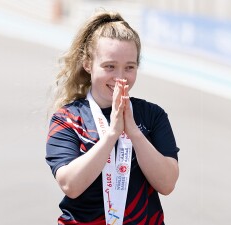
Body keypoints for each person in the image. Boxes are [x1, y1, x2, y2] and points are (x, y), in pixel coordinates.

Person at [45, 11, 180, 225]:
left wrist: (133, 132)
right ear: (88, 64)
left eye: (129, 67)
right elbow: (71, 185)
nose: (120, 77)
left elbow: (167, 183)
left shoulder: (152, 115)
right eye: (110, 66)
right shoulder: (67, 118)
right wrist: (112, 134)